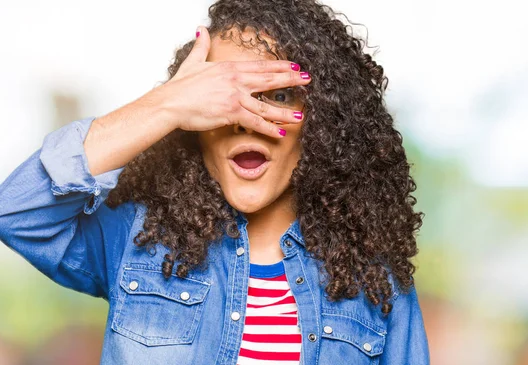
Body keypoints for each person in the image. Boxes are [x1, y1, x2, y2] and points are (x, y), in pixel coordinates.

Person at [0, 0, 430, 364]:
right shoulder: (135, 239)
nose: (245, 119)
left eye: (277, 95)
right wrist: (166, 104)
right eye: (222, 96)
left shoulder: (377, 284)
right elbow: (17, 213)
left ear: (321, 121)